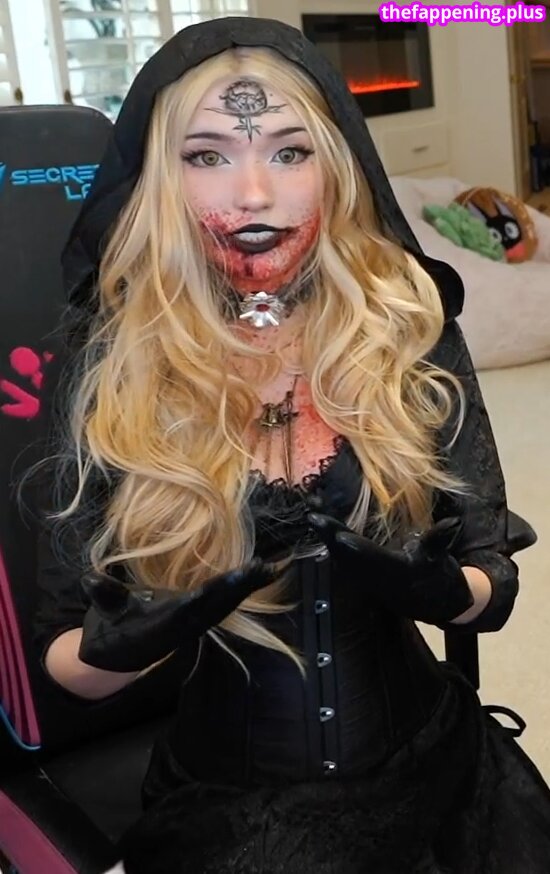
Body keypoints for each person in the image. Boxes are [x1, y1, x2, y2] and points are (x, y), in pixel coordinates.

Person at [32, 15, 550, 874]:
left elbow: (490, 590)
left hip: (436, 775)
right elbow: (63, 665)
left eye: (289, 151)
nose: (253, 194)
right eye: (207, 155)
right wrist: (157, 624)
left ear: (336, 167)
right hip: (232, 810)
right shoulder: (113, 364)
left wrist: (425, 583)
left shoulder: (409, 330)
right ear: (162, 178)